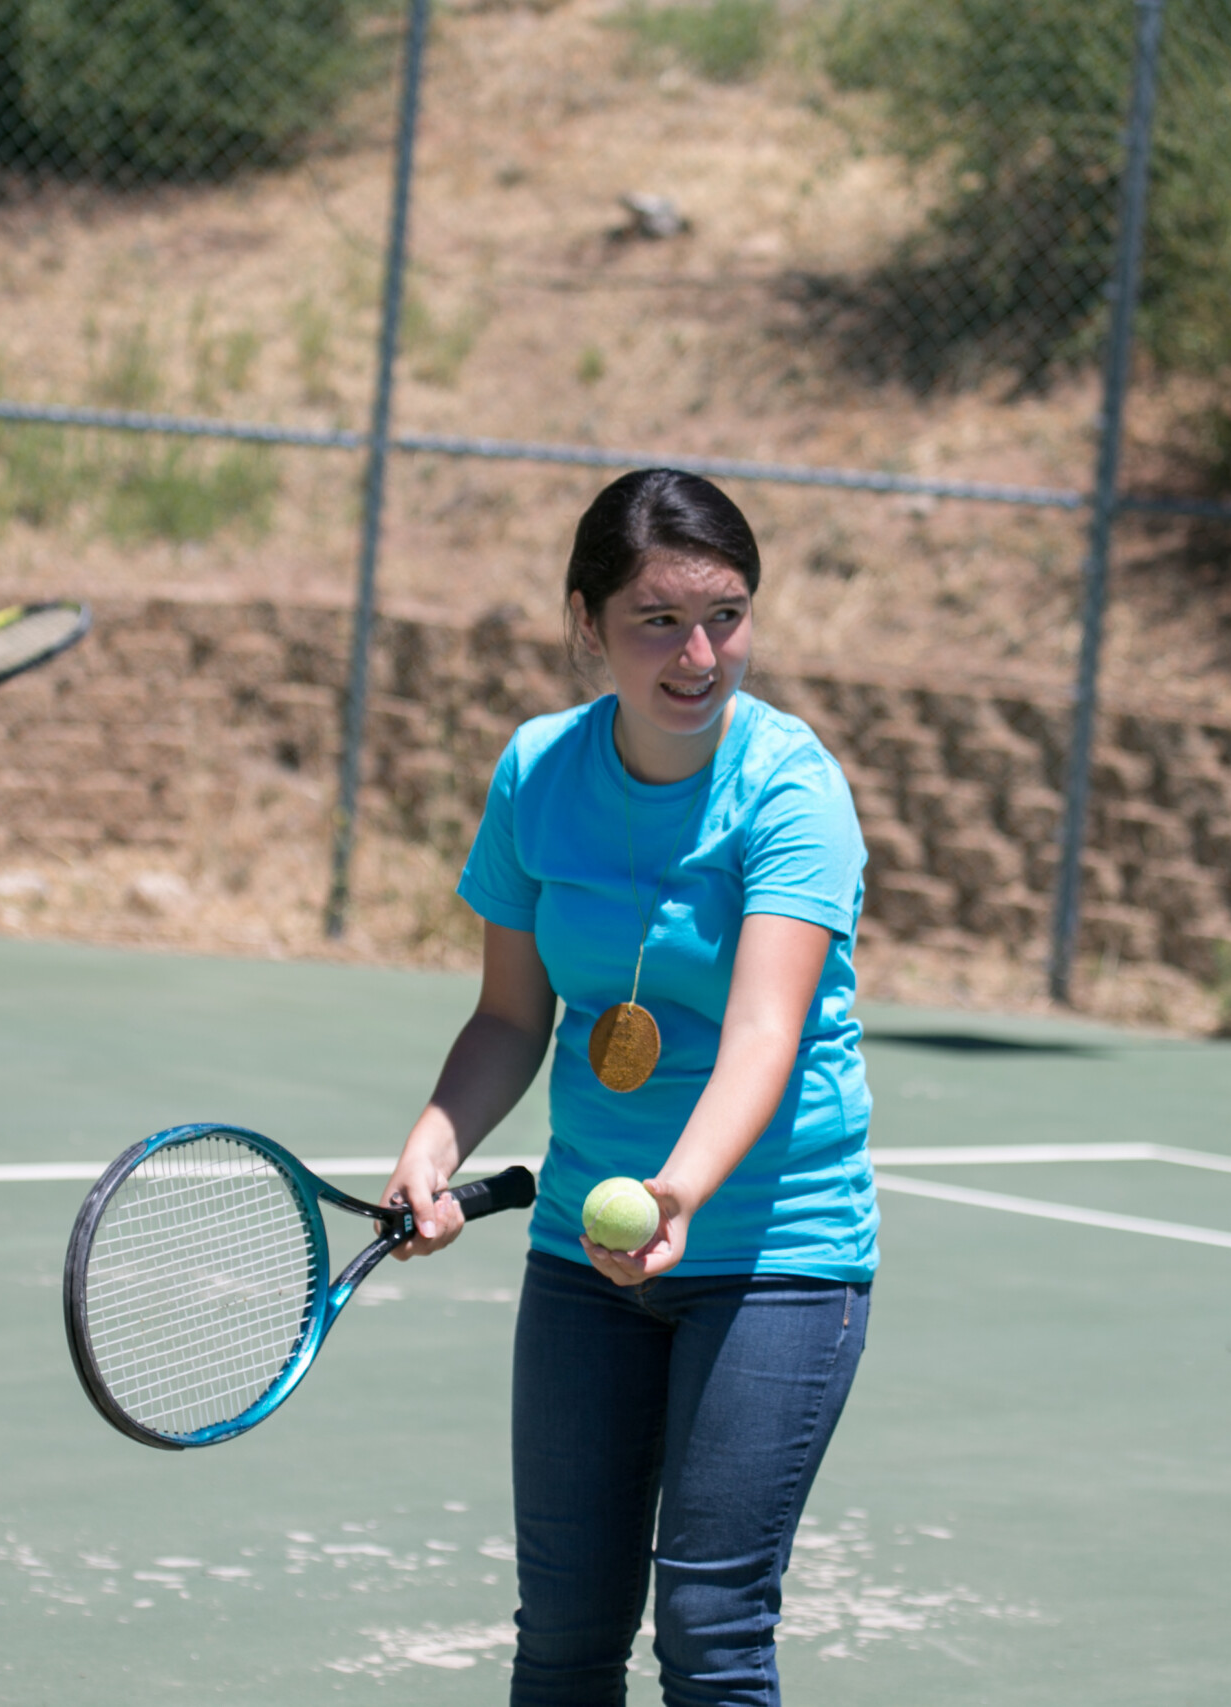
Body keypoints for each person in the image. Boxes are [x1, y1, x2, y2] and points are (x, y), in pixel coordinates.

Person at [381, 468, 875, 1706]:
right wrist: (436, 1140)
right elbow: (511, 1012)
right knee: (562, 1638)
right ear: (587, 621)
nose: (699, 652)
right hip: (581, 1263)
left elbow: (766, 1031)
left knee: (710, 1632)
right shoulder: (538, 773)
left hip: (775, 1255)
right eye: (659, 618)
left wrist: (677, 1193)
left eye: (726, 614)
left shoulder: (792, 787)